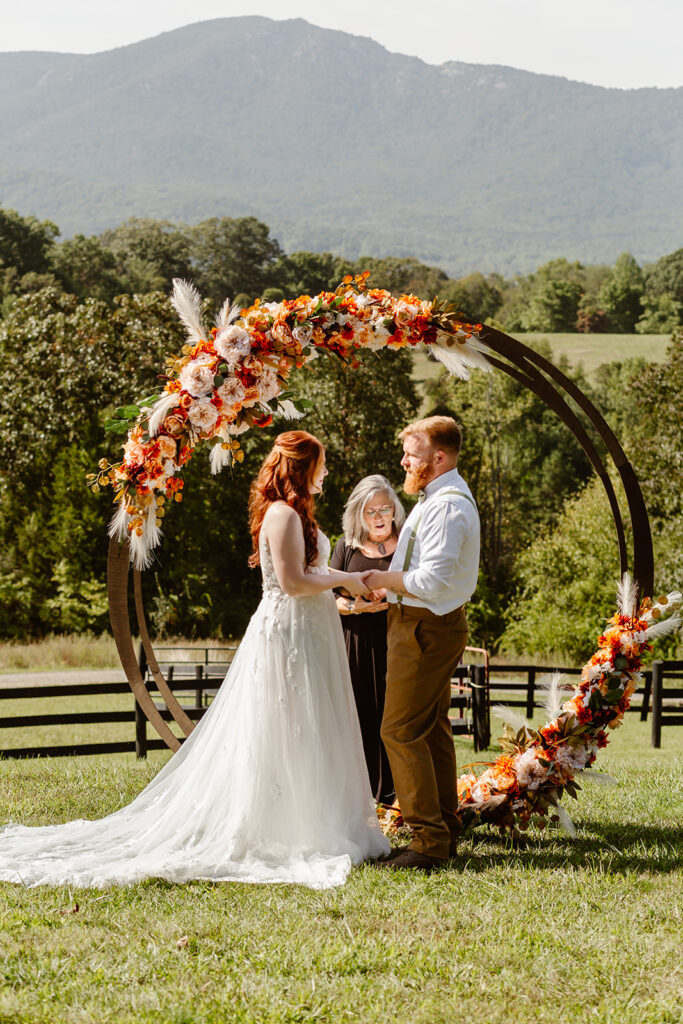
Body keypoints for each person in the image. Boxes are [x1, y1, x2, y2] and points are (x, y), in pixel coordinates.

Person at [0, 431, 389, 889]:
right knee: (286, 726)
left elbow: (313, 573)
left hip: (313, 632)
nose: (325, 473)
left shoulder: (298, 515)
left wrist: (349, 579)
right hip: (289, 634)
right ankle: (287, 829)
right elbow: (292, 583)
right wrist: (349, 580)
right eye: (320, 465)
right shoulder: (281, 515)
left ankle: (320, 819)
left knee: (313, 726)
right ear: (302, 469)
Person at [362, 416, 480, 873]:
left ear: (439, 457)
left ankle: (428, 842)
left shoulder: (448, 506)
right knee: (430, 728)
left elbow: (429, 581)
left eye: (412, 454)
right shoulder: (437, 499)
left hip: (424, 627)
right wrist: (389, 589)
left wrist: (378, 578)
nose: (404, 461)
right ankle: (444, 828)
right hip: (423, 622)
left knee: (399, 729)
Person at [329, 475, 405, 804]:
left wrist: (390, 597)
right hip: (355, 643)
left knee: (394, 717)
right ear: (358, 514)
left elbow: (421, 585)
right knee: (358, 716)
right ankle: (360, 797)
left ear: (394, 510)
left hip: (397, 642)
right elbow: (327, 597)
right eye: (369, 511)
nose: (378, 517)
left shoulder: (407, 545)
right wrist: (355, 605)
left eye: (384, 509)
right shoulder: (345, 546)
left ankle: (394, 794)